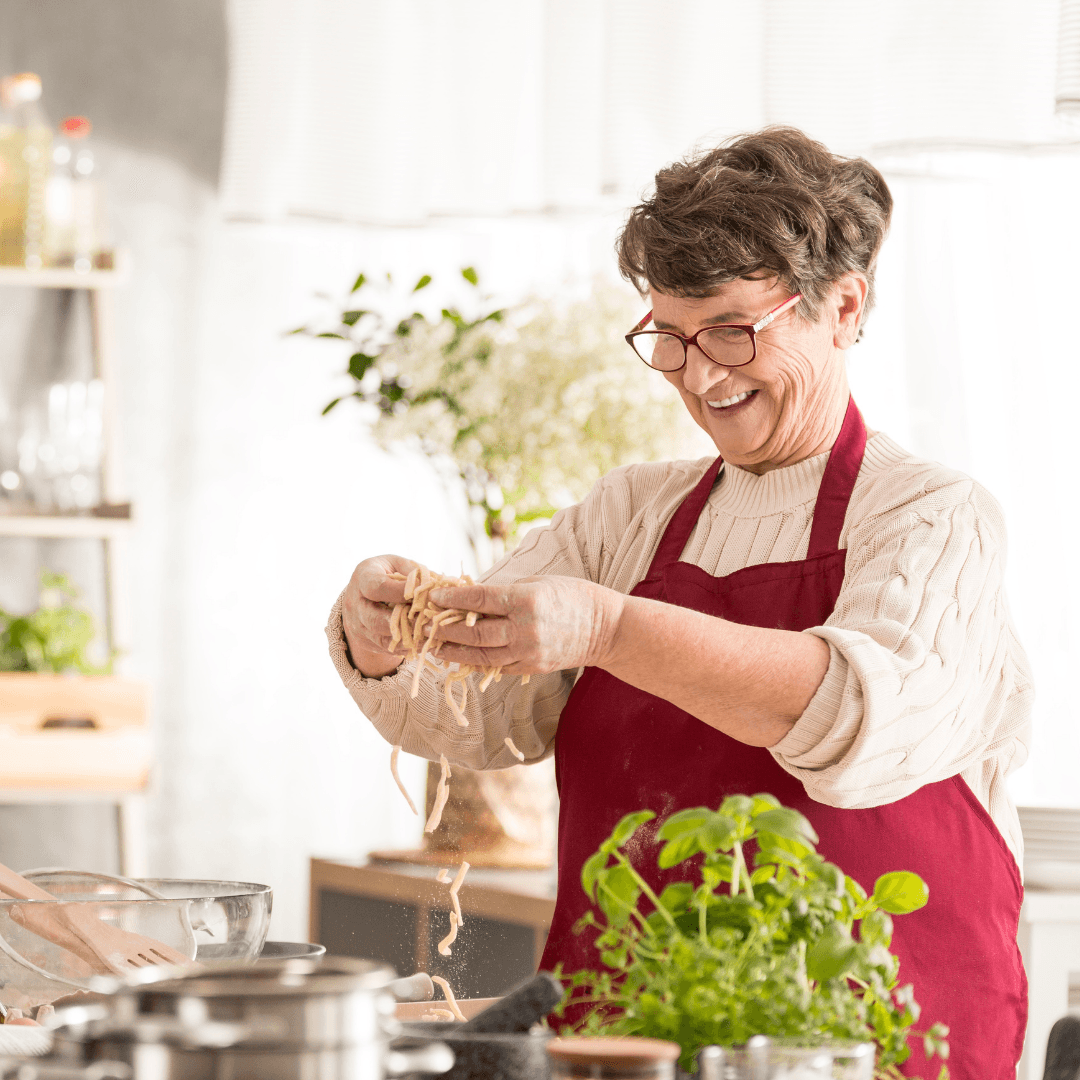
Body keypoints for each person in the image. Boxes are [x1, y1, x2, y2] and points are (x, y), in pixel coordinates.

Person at [326, 127, 1032, 1080]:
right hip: (629, 1040)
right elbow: (483, 715)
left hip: (866, 1048)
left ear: (844, 306)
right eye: (670, 336)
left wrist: (612, 628)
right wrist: (389, 639)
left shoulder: (933, 518)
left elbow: (857, 721)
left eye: (735, 330)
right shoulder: (629, 514)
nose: (701, 377)